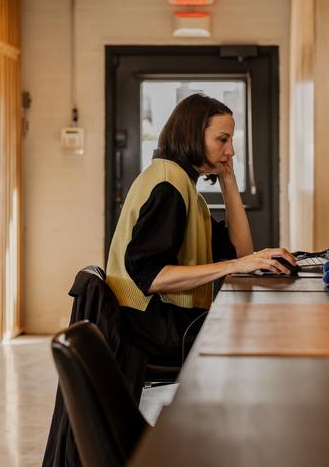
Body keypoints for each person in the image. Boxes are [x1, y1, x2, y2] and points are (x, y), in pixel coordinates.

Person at [105, 92, 297, 383]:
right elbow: (151, 276)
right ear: (193, 136)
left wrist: (229, 181)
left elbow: (241, 251)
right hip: (150, 330)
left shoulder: (181, 183)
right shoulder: (168, 187)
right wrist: (234, 266)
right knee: (262, 335)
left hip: (161, 323)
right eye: (223, 139)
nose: (231, 150)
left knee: (259, 328)